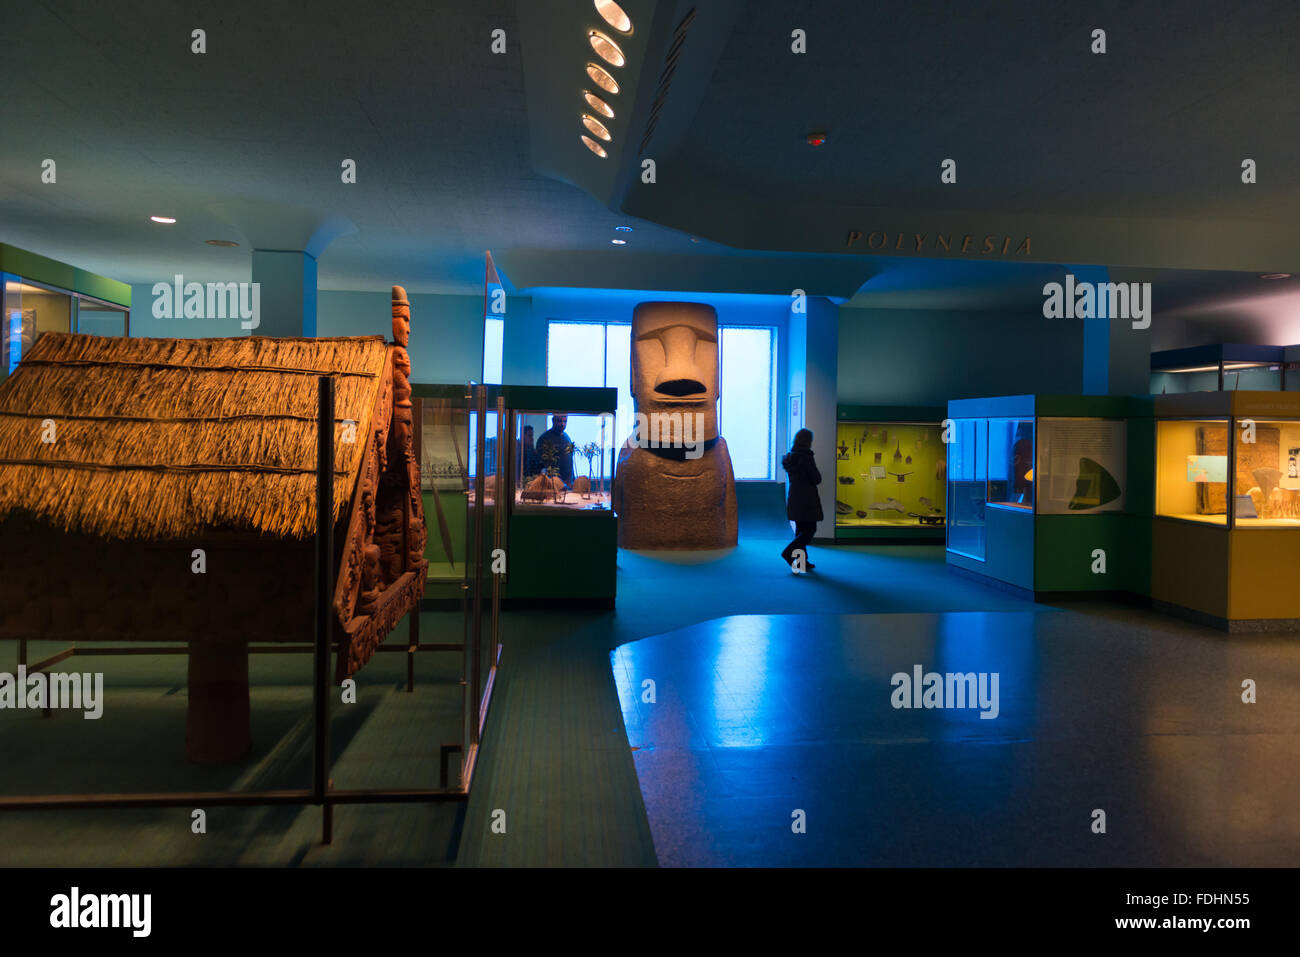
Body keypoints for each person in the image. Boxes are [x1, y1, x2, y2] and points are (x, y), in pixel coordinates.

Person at [781, 428, 822, 571]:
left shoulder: (791, 456)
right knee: (809, 530)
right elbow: (816, 478)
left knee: (801, 530)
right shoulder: (806, 456)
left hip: (795, 496)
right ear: (807, 441)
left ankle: (802, 562)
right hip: (807, 497)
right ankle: (788, 552)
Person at [534, 414, 575, 488]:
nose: (563, 424)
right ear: (553, 420)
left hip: (568, 483)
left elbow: (570, 461)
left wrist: (572, 481)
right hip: (553, 485)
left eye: (565, 421)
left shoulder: (567, 437)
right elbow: (540, 464)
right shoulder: (545, 438)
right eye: (560, 421)